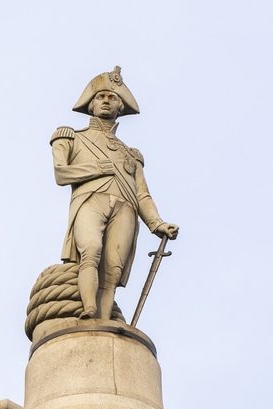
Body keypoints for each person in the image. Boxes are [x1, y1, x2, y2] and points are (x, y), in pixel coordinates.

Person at [51, 67, 179, 321]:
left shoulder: (131, 154)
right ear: (91, 104)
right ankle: (88, 309)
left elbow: (142, 194)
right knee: (91, 250)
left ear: (120, 107)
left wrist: (157, 224)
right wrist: (97, 168)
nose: (107, 102)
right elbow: (61, 174)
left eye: (112, 98)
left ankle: (104, 318)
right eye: (101, 97)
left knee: (112, 270)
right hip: (90, 199)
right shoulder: (71, 138)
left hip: (125, 208)